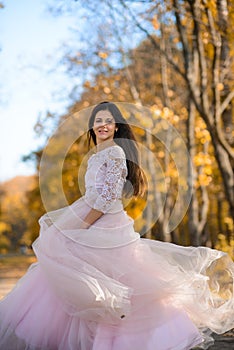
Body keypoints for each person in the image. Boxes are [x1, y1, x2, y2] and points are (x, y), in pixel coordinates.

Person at [0, 101, 233, 350]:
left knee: (114, 279)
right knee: (70, 273)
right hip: (89, 211)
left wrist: (81, 227)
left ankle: (124, 340)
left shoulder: (115, 152)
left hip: (105, 222)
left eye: (107, 121)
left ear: (116, 126)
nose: (102, 125)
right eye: (98, 121)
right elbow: (94, 193)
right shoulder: (98, 153)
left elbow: (108, 197)